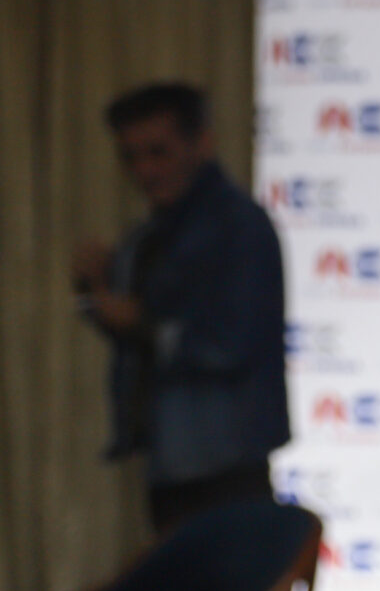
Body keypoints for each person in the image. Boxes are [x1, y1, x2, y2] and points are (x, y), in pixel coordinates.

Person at [70, 82, 289, 535]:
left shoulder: (238, 227)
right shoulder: (156, 232)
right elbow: (136, 327)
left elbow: (231, 344)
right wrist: (96, 293)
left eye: (158, 152)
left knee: (226, 579)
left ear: (201, 142)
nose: (144, 170)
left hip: (224, 470)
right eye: (130, 157)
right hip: (176, 466)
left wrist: (141, 322)